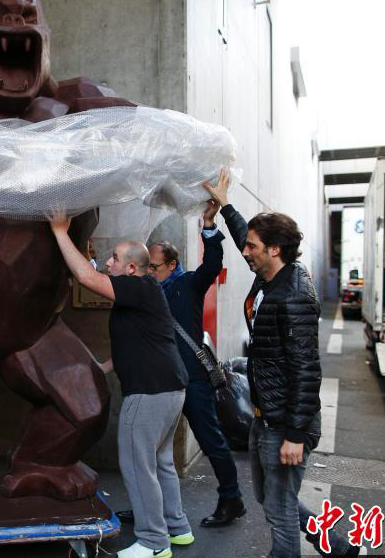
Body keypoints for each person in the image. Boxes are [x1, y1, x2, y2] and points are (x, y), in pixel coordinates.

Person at [50, 215, 190, 558]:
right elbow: (138, 340)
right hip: (171, 388)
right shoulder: (144, 293)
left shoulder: (136, 286)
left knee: (137, 465)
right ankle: (177, 527)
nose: (107, 262)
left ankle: (153, 543)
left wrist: (58, 232)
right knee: (161, 463)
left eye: (114, 258)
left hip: (149, 392)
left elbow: (85, 276)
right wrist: (104, 366)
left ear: (130, 269)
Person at [117, 175, 246, 529]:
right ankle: (148, 509)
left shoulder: (186, 285)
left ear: (171, 265)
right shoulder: (144, 290)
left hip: (192, 379)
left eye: (155, 267)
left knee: (209, 439)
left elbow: (212, 264)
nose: (150, 272)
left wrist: (209, 225)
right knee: (151, 452)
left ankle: (231, 499)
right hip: (160, 381)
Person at [235, 212, 364, 558]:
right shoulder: (269, 276)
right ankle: (337, 546)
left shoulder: (293, 295)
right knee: (273, 499)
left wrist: (294, 434)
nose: (245, 252)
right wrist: (226, 207)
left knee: (279, 509)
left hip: (286, 422)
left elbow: (306, 370)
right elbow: (246, 242)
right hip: (267, 415)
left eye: (252, 246)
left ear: (275, 249)